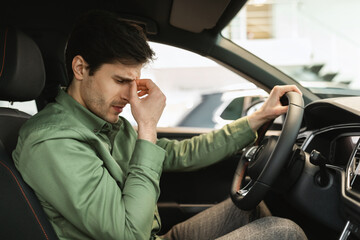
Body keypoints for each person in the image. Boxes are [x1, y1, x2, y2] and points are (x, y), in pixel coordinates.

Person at [13, 10, 307, 240]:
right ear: (80, 68)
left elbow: (179, 154)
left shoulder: (106, 124)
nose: (130, 96)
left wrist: (255, 119)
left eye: (134, 82)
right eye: (120, 81)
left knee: (250, 208)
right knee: (282, 234)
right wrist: (147, 130)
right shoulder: (53, 141)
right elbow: (128, 233)